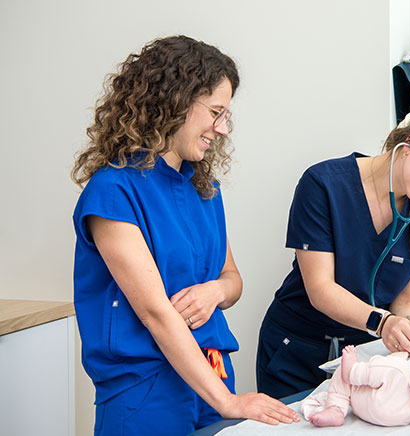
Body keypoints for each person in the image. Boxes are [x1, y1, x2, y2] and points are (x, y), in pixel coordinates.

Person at [71, 35, 299, 435]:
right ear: (174, 100)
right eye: (215, 112)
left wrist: (215, 292)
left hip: (211, 376)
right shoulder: (113, 192)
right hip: (146, 390)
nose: (222, 129)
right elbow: (155, 312)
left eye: (227, 116)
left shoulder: (203, 189)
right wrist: (228, 402)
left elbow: (232, 280)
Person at [256, 103, 410, 399]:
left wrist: (408, 329)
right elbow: (320, 289)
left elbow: (408, 300)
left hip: (365, 359)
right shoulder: (323, 184)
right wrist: (383, 322)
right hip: (295, 349)